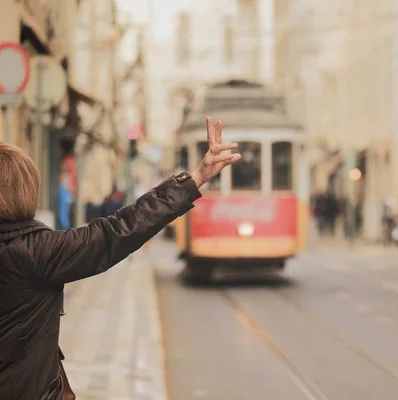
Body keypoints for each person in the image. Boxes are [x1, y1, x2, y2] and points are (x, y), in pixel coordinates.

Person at [0, 117, 240, 400]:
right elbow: (119, 231)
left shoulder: (33, 250)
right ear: (25, 191)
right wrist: (195, 178)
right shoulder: (34, 251)